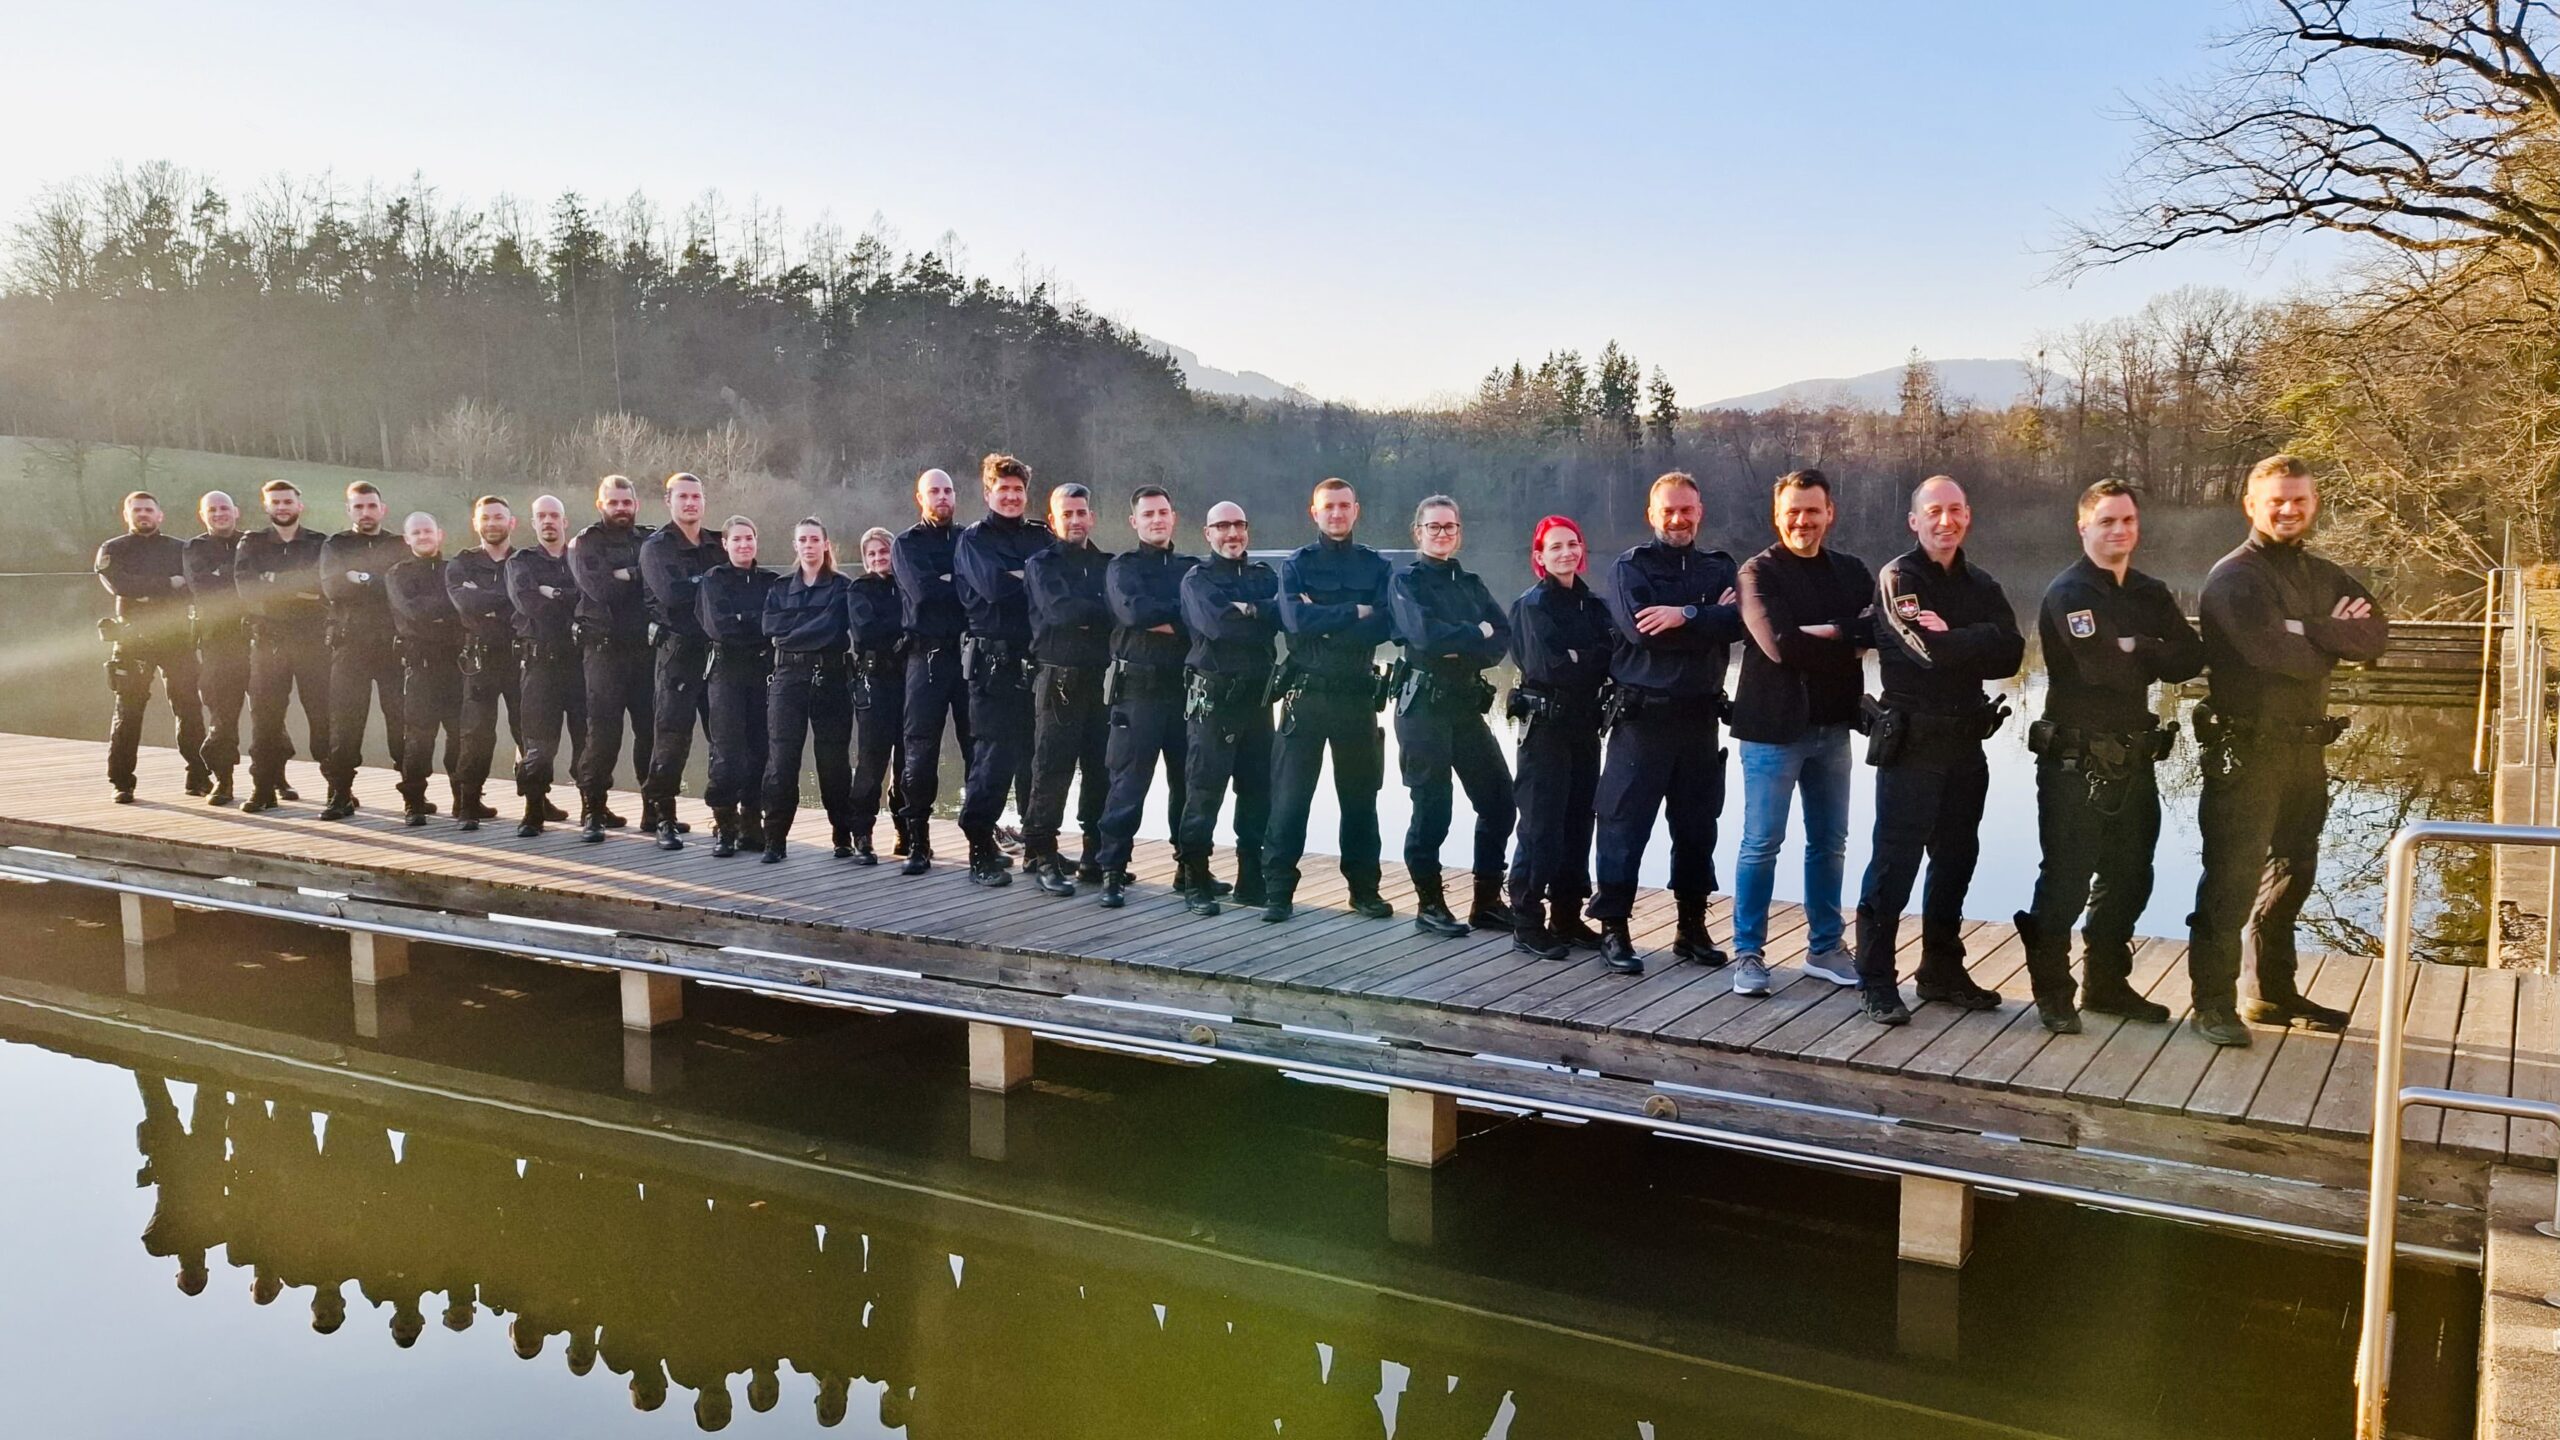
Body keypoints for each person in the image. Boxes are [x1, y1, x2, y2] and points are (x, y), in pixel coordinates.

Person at [2186, 455, 2388, 1047]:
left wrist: (2307, 627)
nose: (2288, 509)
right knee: (2231, 880)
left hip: (2305, 753)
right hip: (2246, 753)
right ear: (2251, 505)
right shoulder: (2234, 579)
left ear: (2314, 503)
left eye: (2299, 499)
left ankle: (2271, 992)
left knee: (2294, 872)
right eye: (2276, 500)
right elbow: (2280, 657)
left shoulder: (2322, 574)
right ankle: (2213, 1003)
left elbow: (2375, 634)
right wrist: (2327, 633)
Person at [2012, 480, 2205, 1034]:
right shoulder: (2070, 592)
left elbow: (2190, 657)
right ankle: (2053, 992)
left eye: (2127, 521)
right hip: (2073, 761)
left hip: (2134, 759)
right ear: (2084, 527)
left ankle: (2106, 984)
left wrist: (2135, 644)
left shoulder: (2150, 590)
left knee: (2130, 876)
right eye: (2107, 522)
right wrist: (2149, 649)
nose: (2119, 531)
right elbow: (2101, 668)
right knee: (2067, 878)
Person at [1854, 476, 2027, 1026]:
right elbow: (1926, 652)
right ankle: (1877, 979)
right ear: (1915, 520)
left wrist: (1957, 635)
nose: (1945, 521)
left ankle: (1940, 970)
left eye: (1955, 510)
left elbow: (2013, 655)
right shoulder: (1899, 577)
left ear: (1968, 516)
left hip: (1964, 742)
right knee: (1895, 863)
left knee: (1957, 858)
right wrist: (1970, 639)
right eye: (1934, 511)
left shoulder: (1982, 581)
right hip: (1912, 742)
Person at [1591, 472, 1743, 975]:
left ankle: (1691, 928)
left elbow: (1740, 624)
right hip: (1642, 720)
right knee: (1623, 826)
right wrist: (1706, 618)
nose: (1678, 519)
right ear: (1651, 514)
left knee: (1698, 829)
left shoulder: (1720, 566)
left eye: (1687, 510)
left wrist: (1683, 614)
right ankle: (1613, 928)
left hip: (1700, 719)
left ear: (1700, 511)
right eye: (1668, 511)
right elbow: (1642, 634)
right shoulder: (1629, 568)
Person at [1729, 470, 1873, 998]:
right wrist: (1844, 635)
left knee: (1830, 843)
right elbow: (1780, 647)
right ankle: (1747, 953)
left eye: (1813, 510)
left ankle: (1825, 948)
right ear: (1777, 514)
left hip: (1834, 728)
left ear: (1829, 513)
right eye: (1793, 510)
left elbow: (1876, 630)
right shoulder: (1757, 574)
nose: (1803, 521)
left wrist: (1832, 632)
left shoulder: (1854, 571)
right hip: (1771, 731)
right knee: (1761, 843)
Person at [1380, 496, 1515, 937]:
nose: (1443, 534)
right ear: (1417, 532)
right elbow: (1423, 634)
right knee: (1433, 807)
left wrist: (1466, 638)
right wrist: (1474, 632)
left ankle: (1487, 901)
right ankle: (1430, 903)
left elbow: (1502, 640)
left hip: (1464, 705)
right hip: (1422, 707)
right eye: (1434, 527)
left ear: (1459, 531)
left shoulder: (1471, 584)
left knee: (1499, 802)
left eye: (1450, 527)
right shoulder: (1406, 582)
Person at [1263, 478, 1395, 919]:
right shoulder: (1295, 565)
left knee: (1360, 799)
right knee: (1289, 798)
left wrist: (1323, 618)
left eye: (1343, 506)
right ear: (1313, 512)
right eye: (1328, 507)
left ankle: (1364, 890)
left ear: (1356, 510)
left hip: (1357, 695)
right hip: (1307, 695)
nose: (1336, 514)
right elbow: (1294, 621)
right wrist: (1351, 612)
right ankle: (1278, 892)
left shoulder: (1377, 566)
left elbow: (1385, 625)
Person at [1503, 515, 1611, 958]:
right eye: (1556, 547)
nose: (1566, 553)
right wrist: (1586, 657)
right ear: (1539, 557)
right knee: (1540, 825)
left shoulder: (1594, 605)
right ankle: (1527, 921)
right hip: (1544, 728)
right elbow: (1550, 666)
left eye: (1572, 544)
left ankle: (1567, 916)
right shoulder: (1532, 605)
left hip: (1584, 727)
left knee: (1578, 822)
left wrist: (1581, 656)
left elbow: (1611, 656)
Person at [1090, 486, 1197, 909]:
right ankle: (1112, 871)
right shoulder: (1122, 569)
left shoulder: (1192, 568)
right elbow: (1134, 613)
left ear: (1174, 518)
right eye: (1148, 514)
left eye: (1163, 513)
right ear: (1134, 522)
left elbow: (1204, 615)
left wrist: (1171, 616)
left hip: (1186, 691)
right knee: (1127, 785)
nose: (1157, 520)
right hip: (1137, 693)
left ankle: (1188, 868)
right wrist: (1180, 615)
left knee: (1187, 786)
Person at [1175, 502, 1280, 916]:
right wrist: (1253, 612)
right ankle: (1195, 878)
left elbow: (1283, 617)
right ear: (1208, 533)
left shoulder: (1264, 576)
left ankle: (1249, 878)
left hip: (1257, 700)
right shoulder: (1197, 580)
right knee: (1204, 791)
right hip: (1213, 701)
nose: (1232, 533)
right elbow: (1216, 625)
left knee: (1257, 792)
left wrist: (1248, 609)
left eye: (1239, 524)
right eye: (1223, 526)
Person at [954, 454, 1054, 886]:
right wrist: (1034, 580)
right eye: (1003, 489)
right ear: (988, 492)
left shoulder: (1042, 535)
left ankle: (1037, 848)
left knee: (1039, 760)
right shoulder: (974, 540)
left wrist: (1022, 577)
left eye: (1017, 489)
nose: (1011, 496)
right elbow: (995, 589)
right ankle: (979, 849)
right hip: (993, 666)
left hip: (1038, 662)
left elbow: (1059, 585)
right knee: (993, 761)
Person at [1022, 483, 1113, 895]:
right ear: (1053, 519)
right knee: (1051, 771)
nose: (1075, 521)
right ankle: (1043, 857)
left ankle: (1094, 857)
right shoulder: (1041, 564)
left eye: (1081, 513)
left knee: (1101, 770)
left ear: (1091, 517)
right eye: (1067, 514)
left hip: (1102, 680)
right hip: (1058, 681)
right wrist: (1098, 610)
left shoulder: (1108, 564)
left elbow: (1119, 611)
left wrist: (1089, 612)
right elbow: (1059, 612)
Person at [94, 490, 206, 802]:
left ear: (160, 515)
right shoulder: (113, 549)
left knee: (189, 708)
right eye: (137, 510)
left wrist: (145, 590)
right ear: (127, 516)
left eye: (148, 510)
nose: (143, 515)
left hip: (177, 637)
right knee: (128, 712)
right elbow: (118, 584)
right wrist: (167, 584)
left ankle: (198, 777)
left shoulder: (181, 549)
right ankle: (122, 782)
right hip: (133, 639)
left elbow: (192, 588)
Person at [759, 519, 856, 864]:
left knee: (833, 763)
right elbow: (770, 627)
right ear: (795, 545)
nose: (809, 545)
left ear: (826, 544)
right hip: (787, 677)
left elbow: (832, 629)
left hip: (831, 677)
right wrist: (806, 631)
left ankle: (843, 836)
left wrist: (794, 631)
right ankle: (775, 839)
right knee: (782, 761)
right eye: (803, 540)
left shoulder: (843, 587)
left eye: (815, 539)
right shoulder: (779, 587)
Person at [640, 472, 722, 850]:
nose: (690, 503)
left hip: (718, 654)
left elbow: (735, 587)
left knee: (723, 737)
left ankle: (725, 817)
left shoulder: (718, 544)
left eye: (696, 497)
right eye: (683, 497)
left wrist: (700, 582)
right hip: (678, 653)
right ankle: (663, 818)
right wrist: (709, 584)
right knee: (672, 737)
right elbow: (672, 595)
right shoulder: (657, 547)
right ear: (669, 502)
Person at [237, 479, 330, 812]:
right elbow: (247, 590)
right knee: (265, 719)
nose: (282, 507)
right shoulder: (252, 543)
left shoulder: (320, 544)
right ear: (267, 507)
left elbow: (322, 587)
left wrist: (275, 581)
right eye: (275, 502)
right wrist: (297, 587)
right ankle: (263, 789)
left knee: (323, 716)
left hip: (313, 642)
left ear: (299, 505)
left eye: (288, 501)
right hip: (268, 642)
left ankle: (338, 789)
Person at [571, 475, 655, 842]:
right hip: (604, 651)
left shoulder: (650, 540)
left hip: (645, 651)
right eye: (613, 502)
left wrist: (629, 574)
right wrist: (636, 578)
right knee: (603, 734)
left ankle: (654, 810)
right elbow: (599, 589)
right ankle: (593, 810)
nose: (620, 508)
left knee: (651, 732)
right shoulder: (585, 543)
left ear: (635, 504)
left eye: (626, 502)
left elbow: (658, 582)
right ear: (600, 504)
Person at [318, 480, 409, 820]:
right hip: (349, 645)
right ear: (349, 511)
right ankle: (339, 794)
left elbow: (401, 588)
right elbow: (332, 587)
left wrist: (363, 578)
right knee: (345, 724)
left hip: (393, 646)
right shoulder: (336, 545)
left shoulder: (399, 544)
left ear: (382, 509)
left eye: (371, 506)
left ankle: (412, 795)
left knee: (402, 721)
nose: (366, 512)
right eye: (359, 507)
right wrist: (374, 581)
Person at [893, 468, 966, 874]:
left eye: (948, 490)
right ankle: (918, 841)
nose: (942, 497)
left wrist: (950, 582)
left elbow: (982, 588)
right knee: (920, 752)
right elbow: (921, 593)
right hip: (927, 658)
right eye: (934, 491)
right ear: (920, 498)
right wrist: (959, 583)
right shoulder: (907, 544)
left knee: (979, 749)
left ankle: (981, 840)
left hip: (969, 657)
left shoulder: (969, 540)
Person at [508, 495, 588, 836]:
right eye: (541, 516)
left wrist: (549, 591)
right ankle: (533, 810)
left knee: (588, 740)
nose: (548, 521)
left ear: (565, 521)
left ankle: (592, 808)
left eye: (554, 515)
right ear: (533, 523)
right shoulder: (520, 562)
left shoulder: (580, 559)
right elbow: (528, 604)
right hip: (540, 665)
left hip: (580, 663)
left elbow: (592, 596)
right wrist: (565, 597)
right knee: (538, 744)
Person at [697, 516, 777, 858]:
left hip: (762, 672)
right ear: (725, 544)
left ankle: (750, 821)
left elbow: (776, 622)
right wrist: (754, 621)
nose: (744, 544)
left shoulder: (771, 581)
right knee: (727, 751)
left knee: (761, 749)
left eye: (750, 538)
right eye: (738, 539)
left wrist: (748, 619)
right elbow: (720, 626)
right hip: (726, 672)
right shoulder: (714, 580)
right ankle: (724, 825)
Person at [445, 495, 521, 832]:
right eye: (486, 518)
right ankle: (469, 803)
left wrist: (488, 601)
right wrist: (507, 598)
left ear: (511, 523)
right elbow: (465, 604)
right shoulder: (460, 564)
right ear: (476, 524)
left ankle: (537, 798)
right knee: (476, 735)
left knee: (529, 731)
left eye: (498, 517)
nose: (492, 523)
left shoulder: (524, 561)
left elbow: (528, 603)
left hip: (520, 656)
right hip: (479, 659)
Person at [385, 512, 464, 825]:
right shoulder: (397, 574)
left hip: (457, 666)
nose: (422, 536)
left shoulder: (453, 570)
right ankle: (414, 803)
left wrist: (441, 611)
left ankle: (463, 800)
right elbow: (413, 611)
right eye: (415, 532)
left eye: (427, 531)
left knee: (460, 735)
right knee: (418, 739)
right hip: (420, 668)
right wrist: (446, 608)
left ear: (439, 534)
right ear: (407, 539)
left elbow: (466, 607)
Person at [184, 491, 251, 807]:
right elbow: (204, 588)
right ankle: (224, 780)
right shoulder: (195, 548)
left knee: (269, 713)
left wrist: (226, 576)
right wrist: (238, 577)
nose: (219, 513)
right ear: (202, 515)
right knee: (222, 715)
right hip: (216, 643)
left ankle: (275, 777)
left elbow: (258, 585)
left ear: (236, 511)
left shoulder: (252, 542)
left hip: (255, 637)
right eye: (212, 509)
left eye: (225, 507)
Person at [844, 527, 906, 864]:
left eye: (884, 552)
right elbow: (866, 631)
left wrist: (898, 625)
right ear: (865, 560)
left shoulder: (905, 586)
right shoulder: (859, 589)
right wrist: (899, 626)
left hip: (908, 682)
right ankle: (863, 834)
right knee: (871, 762)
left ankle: (905, 831)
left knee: (909, 762)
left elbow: (918, 622)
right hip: (874, 682)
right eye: (872, 554)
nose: (879, 558)